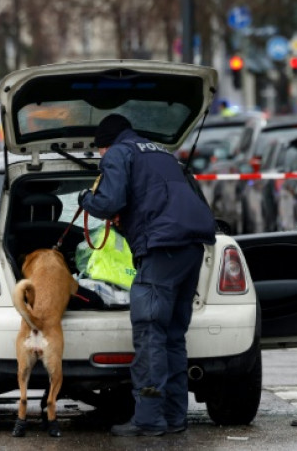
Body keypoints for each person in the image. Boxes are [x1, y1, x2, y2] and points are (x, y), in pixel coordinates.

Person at [78, 114, 216, 437]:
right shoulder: (161, 153)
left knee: (150, 331)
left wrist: (87, 198)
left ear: (105, 144)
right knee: (173, 334)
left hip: (162, 248)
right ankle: (174, 417)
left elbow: (109, 201)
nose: (102, 158)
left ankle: (149, 419)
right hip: (192, 246)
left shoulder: (117, 153)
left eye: (100, 152)